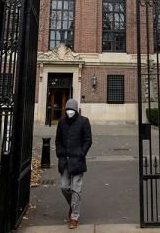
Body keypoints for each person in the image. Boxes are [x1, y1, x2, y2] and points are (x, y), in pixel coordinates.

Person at [55, 97, 92, 229]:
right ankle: (73, 205)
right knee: (64, 186)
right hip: (65, 160)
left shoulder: (84, 121)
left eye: (71, 109)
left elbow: (88, 140)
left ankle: (74, 216)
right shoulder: (61, 122)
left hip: (78, 160)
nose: (69, 111)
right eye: (68, 109)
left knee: (76, 189)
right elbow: (58, 140)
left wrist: (82, 153)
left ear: (76, 110)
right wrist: (60, 153)